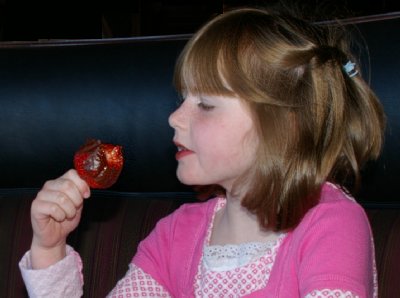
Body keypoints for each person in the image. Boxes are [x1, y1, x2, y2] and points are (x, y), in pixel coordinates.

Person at [19, 7, 385, 297]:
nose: (174, 117)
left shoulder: (330, 224)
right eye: (182, 99)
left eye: (205, 104)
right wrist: (49, 249)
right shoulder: (176, 234)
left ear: (285, 124)